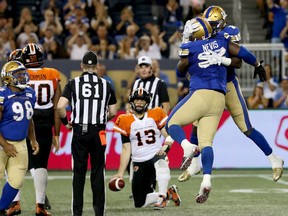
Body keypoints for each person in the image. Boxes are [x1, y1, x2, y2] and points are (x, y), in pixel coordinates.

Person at [166, 16, 268, 204]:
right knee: (207, 143)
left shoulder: (191, 47)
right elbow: (243, 53)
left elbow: (180, 71)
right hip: (220, 98)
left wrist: (186, 41)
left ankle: (187, 146)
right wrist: (258, 65)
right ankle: (206, 179)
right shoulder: (222, 40)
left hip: (201, 93)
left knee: (171, 123)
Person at [178, 5, 284, 185]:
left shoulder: (226, 35)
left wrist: (251, 64)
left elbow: (237, 61)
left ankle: (274, 158)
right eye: (207, 23)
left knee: (246, 127)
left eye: (212, 23)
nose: (209, 27)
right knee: (197, 124)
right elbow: (182, 66)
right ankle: (195, 163)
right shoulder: (199, 38)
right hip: (207, 86)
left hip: (227, 85)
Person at [57, 51, 117, 216]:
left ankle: (77, 212)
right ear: (97, 66)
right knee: (98, 172)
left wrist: (66, 123)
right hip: (99, 131)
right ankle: (99, 212)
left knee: (78, 173)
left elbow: (60, 106)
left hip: (79, 131)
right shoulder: (106, 84)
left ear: (82, 66)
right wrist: (101, 118)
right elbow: (113, 111)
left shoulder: (73, 83)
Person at [112, 87, 181, 209]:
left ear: (147, 102)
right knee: (139, 203)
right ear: (132, 102)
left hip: (155, 156)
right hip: (139, 161)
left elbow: (169, 135)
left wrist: (165, 147)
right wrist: (120, 174)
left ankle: (162, 198)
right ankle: (168, 193)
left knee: (161, 159)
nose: (139, 103)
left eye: (142, 100)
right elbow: (126, 149)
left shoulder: (156, 113)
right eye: (137, 100)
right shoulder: (124, 119)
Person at [17, 43, 61, 216]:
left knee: (17, 164)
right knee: (41, 164)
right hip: (44, 121)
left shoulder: (19, 73)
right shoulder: (53, 74)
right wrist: (56, 133)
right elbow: (57, 107)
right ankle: (40, 205)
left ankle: (15, 203)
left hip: (22, 120)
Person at [0, 60, 39, 215]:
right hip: (2, 143)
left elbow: (29, 120)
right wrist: (4, 144)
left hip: (20, 143)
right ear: (9, 77)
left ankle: (1, 208)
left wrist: (33, 139)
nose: (23, 77)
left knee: (17, 181)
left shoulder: (30, 93)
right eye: (18, 74)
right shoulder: (2, 95)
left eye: (23, 73)